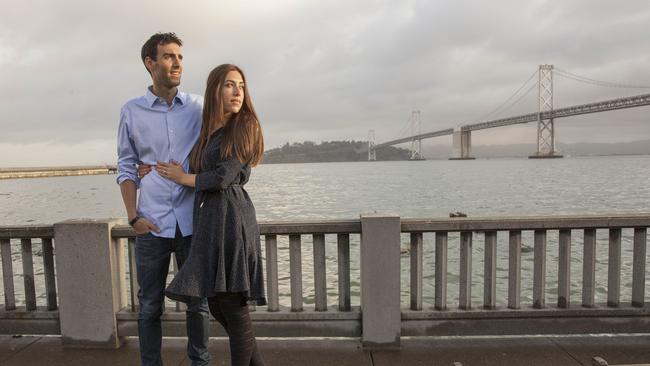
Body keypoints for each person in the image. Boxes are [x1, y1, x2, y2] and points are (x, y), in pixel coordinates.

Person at [157, 64, 266, 366]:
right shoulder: (211, 131)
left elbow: (222, 176)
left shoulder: (245, 125)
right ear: (215, 90)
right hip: (210, 221)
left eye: (241, 86)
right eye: (230, 85)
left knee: (232, 305)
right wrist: (157, 170)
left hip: (231, 219)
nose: (237, 92)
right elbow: (197, 168)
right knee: (218, 303)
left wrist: (182, 179)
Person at [116, 32, 210, 366]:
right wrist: (133, 218)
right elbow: (126, 168)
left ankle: (200, 363)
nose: (177, 63)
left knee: (198, 303)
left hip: (192, 222)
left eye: (180, 57)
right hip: (151, 225)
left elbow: (221, 143)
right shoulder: (131, 111)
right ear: (150, 63)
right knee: (150, 306)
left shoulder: (200, 107)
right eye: (169, 56)